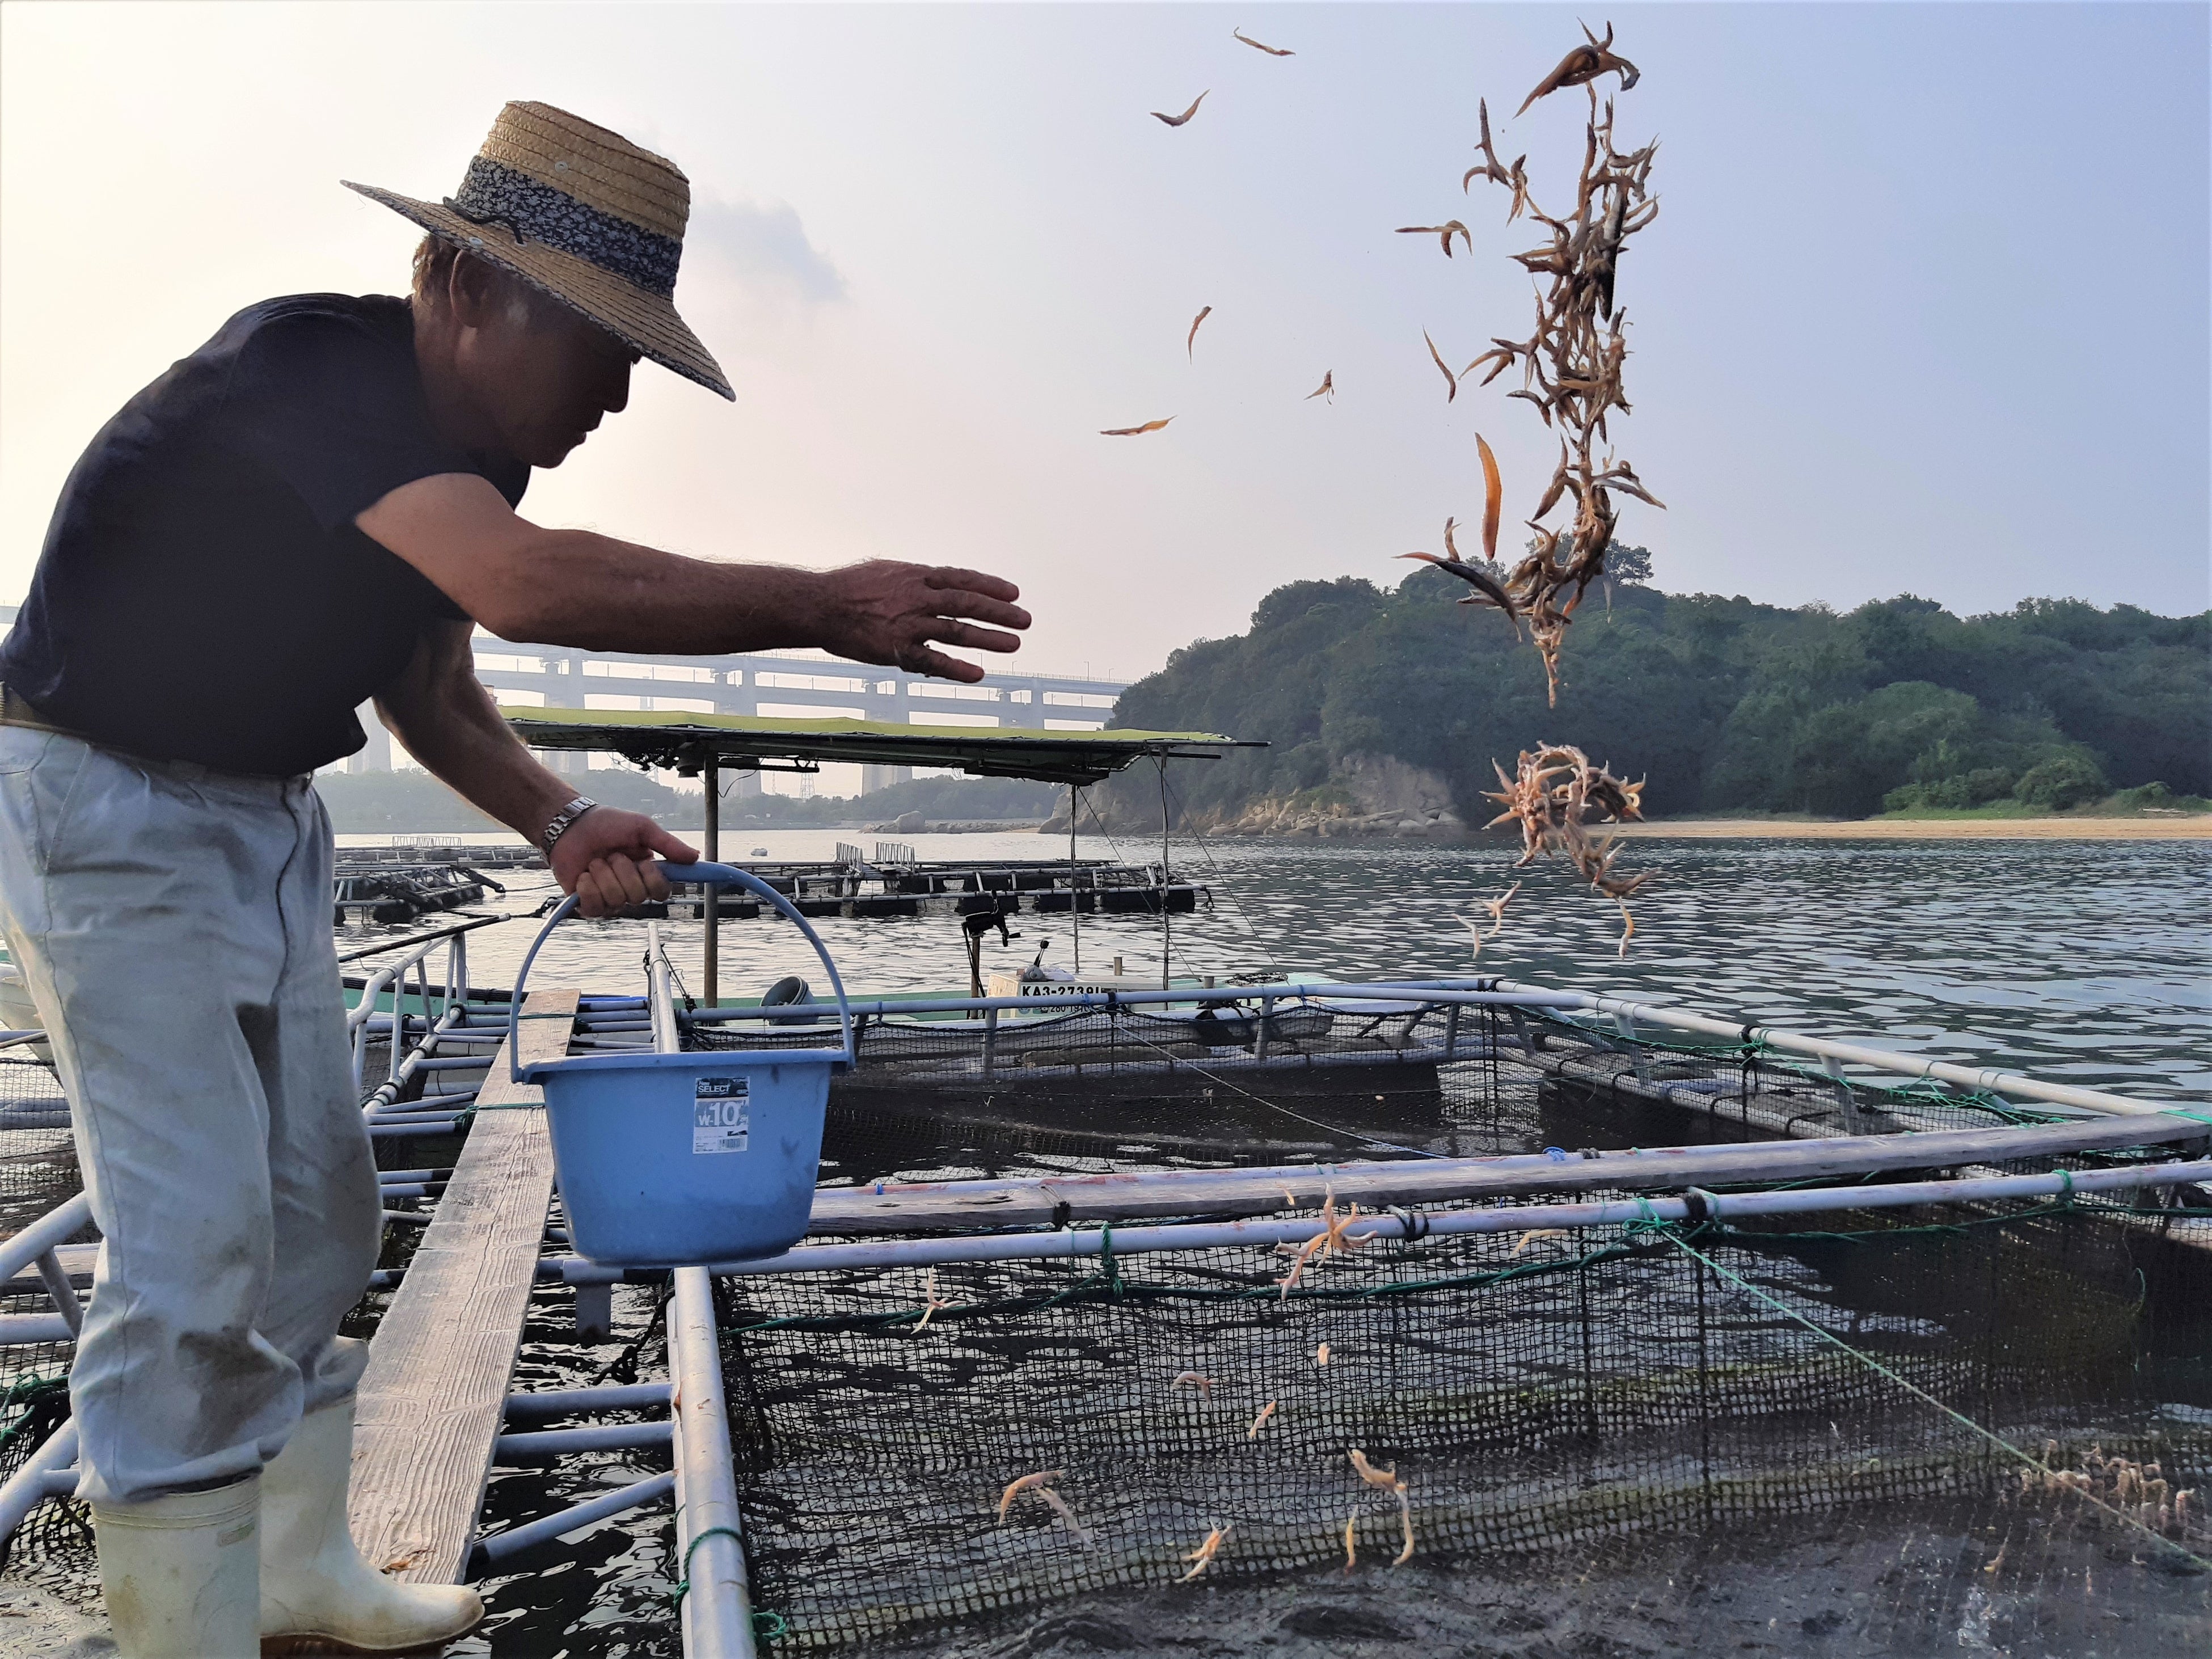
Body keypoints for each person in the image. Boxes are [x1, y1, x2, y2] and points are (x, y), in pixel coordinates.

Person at [0, 102, 1028, 1657]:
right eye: (605, 348)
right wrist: (818, 603)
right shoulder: (310, 375)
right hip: (100, 800)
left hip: (266, 815)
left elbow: (429, 683)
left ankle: (279, 1570)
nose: (620, 393)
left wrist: (556, 820)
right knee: (192, 1239)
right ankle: (139, 1622)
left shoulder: (460, 453)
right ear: (468, 290)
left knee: (320, 1220)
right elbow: (523, 587)